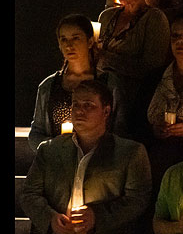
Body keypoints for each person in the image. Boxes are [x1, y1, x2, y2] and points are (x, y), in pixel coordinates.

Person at [21, 79, 152, 234]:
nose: (80, 111)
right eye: (76, 105)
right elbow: (29, 194)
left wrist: (98, 216)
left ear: (106, 111)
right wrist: (50, 219)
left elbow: (138, 199)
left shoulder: (129, 153)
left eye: (89, 105)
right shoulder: (49, 150)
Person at [134, 9, 183, 193]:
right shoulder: (154, 78)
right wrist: (153, 130)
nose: (180, 41)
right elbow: (136, 120)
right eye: (175, 36)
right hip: (154, 155)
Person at [97, 0, 171, 136]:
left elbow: (151, 68)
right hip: (100, 96)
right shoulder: (106, 17)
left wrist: (107, 58)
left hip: (134, 102)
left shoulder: (154, 19)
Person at [28, 14, 120, 152]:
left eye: (76, 38)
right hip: (59, 162)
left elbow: (121, 129)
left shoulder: (109, 83)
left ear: (89, 42)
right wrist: (56, 148)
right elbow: (36, 133)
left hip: (100, 161)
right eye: (63, 39)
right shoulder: (48, 87)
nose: (69, 45)